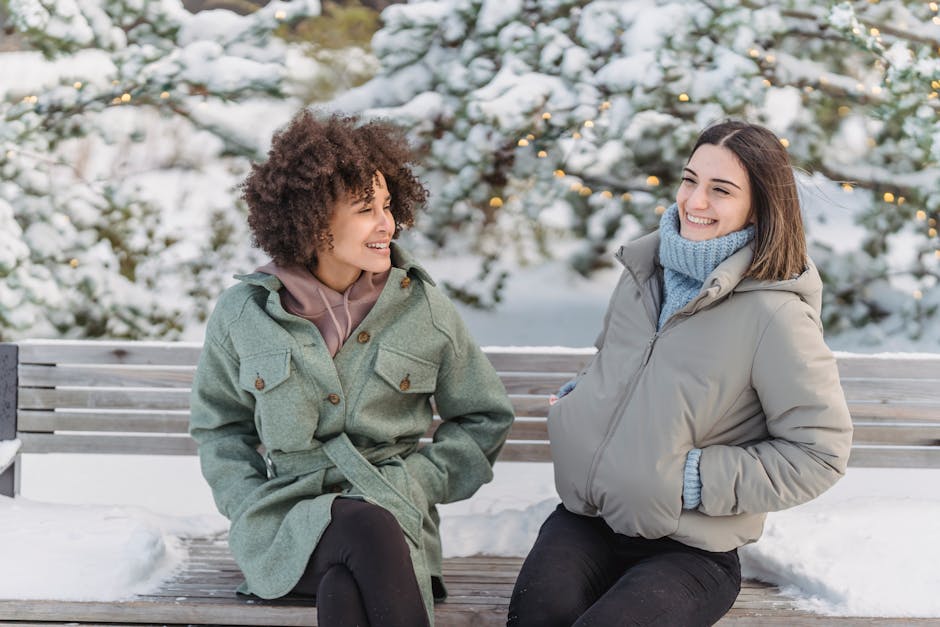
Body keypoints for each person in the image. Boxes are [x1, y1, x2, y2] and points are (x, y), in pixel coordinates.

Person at [507, 120, 854, 626]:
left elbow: (820, 453)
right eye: (690, 180)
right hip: (589, 521)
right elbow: (616, 366)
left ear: (759, 205)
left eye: (721, 190)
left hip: (692, 551)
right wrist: (581, 403)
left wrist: (691, 479)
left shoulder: (775, 315)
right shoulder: (642, 273)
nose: (695, 201)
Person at [189, 110, 514, 627]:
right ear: (313, 219)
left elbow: (484, 419)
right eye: (366, 209)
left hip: (395, 521)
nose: (387, 224)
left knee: (348, 583)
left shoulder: (422, 307)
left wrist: (418, 482)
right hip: (286, 528)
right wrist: (245, 501)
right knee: (365, 532)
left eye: (388, 206)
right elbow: (218, 427)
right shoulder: (245, 314)